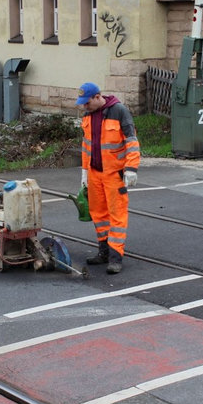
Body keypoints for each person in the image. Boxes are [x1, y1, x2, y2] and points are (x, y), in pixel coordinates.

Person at [76, 82, 140, 274]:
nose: (84, 107)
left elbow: (132, 141)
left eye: (87, 103)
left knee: (116, 215)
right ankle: (103, 252)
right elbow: (87, 145)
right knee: (98, 213)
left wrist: (131, 168)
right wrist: (85, 171)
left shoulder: (119, 111)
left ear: (97, 97)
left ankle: (115, 257)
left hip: (114, 174)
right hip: (95, 173)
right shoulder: (88, 116)